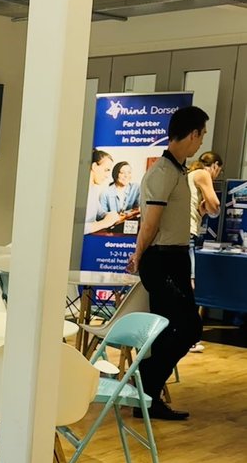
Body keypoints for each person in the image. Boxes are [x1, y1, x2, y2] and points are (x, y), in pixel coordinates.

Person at [127, 105, 209, 420]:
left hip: (174, 257)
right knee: (189, 326)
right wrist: (138, 254)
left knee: (170, 329)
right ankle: (144, 381)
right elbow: (151, 223)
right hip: (161, 259)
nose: (201, 142)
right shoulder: (162, 173)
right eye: (201, 135)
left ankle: (147, 398)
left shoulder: (178, 171)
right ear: (192, 134)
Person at [186, 150, 222, 352]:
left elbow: (199, 210)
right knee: (189, 285)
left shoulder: (190, 175)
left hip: (184, 234)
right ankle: (190, 337)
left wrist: (204, 208)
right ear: (215, 165)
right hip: (188, 236)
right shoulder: (203, 174)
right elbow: (215, 205)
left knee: (186, 284)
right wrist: (212, 208)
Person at [84, 149, 121, 234]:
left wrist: (110, 215)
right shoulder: (76, 192)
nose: (107, 176)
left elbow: (100, 213)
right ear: (94, 166)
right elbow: (74, 227)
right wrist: (105, 223)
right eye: (106, 170)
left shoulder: (94, 189)